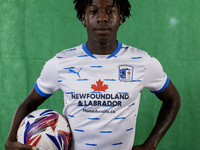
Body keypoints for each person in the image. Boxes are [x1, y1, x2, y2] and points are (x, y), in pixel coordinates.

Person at [5, 0, 181, 150]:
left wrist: (151, 144)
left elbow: (172, 99)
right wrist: (10, 140)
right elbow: (29, 103)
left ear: (120, 17)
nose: (102, 18)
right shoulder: (60, 63)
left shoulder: (142, 62)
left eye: (110, 11)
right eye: (94, 11)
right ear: (83, 17)